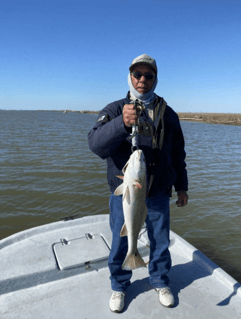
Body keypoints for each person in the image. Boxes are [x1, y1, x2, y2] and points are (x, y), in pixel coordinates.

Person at [88, 54, 188, 313]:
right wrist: (122, 123)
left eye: (149, 75)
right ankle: (119, 285)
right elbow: (96, 145)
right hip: (125, 195)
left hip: (158, 194)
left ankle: (159, 280)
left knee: (160, 241)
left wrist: (182, 187)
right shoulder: (113, 109)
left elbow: (178, 154)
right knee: (121, 241)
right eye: (137, 74)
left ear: (155, 79)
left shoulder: (169, 114)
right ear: (130, 76)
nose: (142, 80)